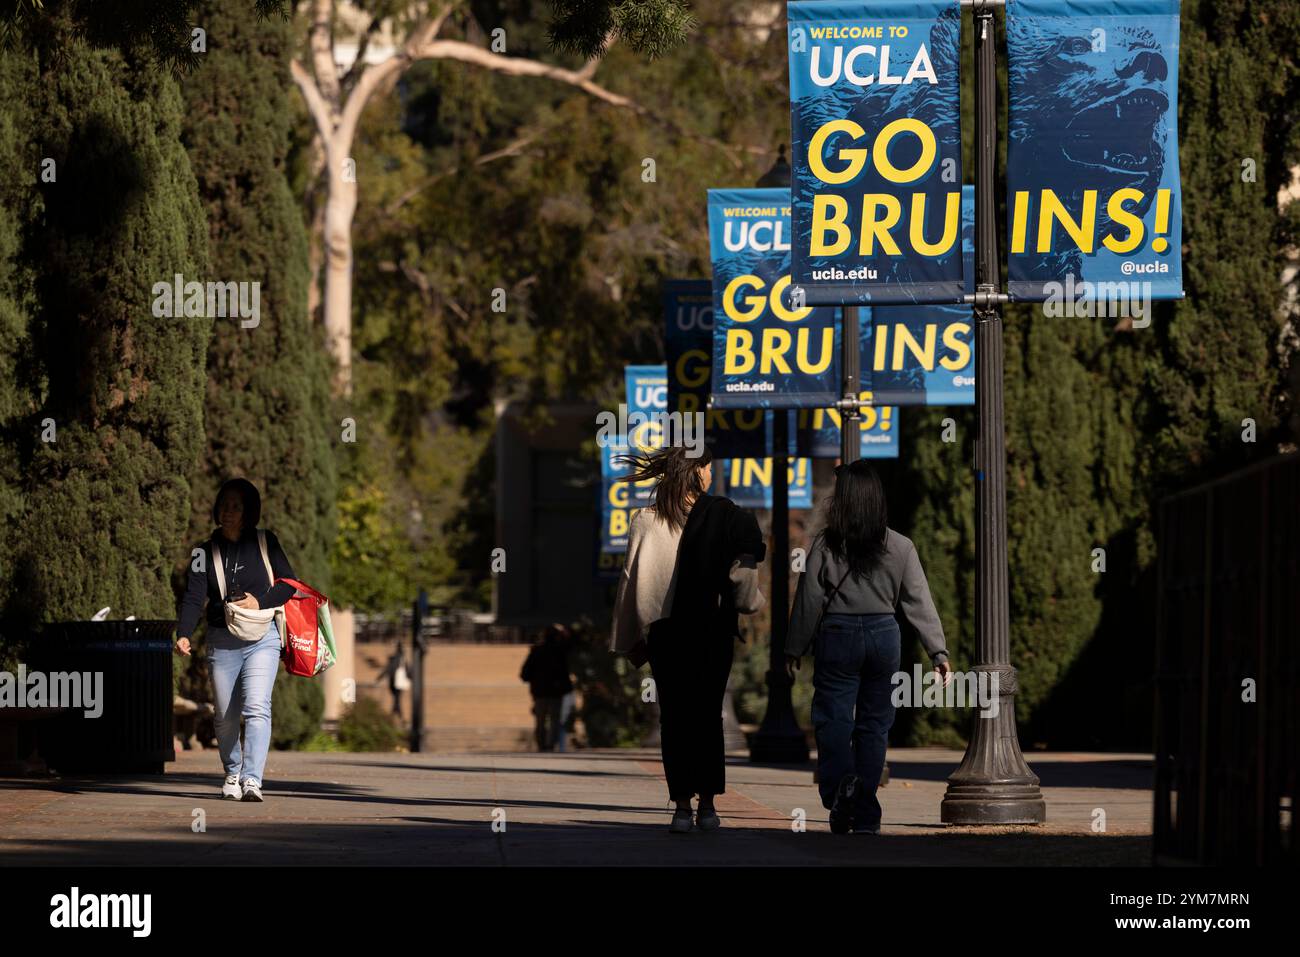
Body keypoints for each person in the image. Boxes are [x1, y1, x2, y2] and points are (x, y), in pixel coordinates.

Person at [785, 460, 951, 834]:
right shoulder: (901, 546)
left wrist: (793, 648)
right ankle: (867, 812)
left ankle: (840, 786)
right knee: (875, 726)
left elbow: (809, 601)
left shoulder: (826, 544)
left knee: (833, 719)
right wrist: (938, 652)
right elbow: (918, 601)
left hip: (838, 635)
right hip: (883, 636)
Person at [610, 444, 766, 834]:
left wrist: (628, 637)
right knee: (708, 716)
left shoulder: (645, 519)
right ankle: (709, 806)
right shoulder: (723, 514)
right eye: (709, 467)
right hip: (711, 629)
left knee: (675, 718)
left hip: (666, 633)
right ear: (697, 471)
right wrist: (749, 603)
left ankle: (681, 807)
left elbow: (630, 578)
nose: (712, 474)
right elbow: (739, 571)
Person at [174, 478, 298, 803]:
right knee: (226, 715)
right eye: (224, 505)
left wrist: (260, 601)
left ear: (248, 512)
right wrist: (184, 633)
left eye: (236, 506)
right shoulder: (203, 551)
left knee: (258, 707)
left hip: (263, 637)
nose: (228, 511)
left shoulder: (265, 541)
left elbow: (290, 584)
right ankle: (232, 771)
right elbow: (193, 597)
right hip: (222, 639)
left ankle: (252, 779)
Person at [520, 624, 573, 751]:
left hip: (540, 692)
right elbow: (564, 672)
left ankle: (542, 745)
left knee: (540, 720)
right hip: (556, 691)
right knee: (555, 719)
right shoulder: (560, 651)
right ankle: (549, 745)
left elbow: (525, 673)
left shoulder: (536, 651)